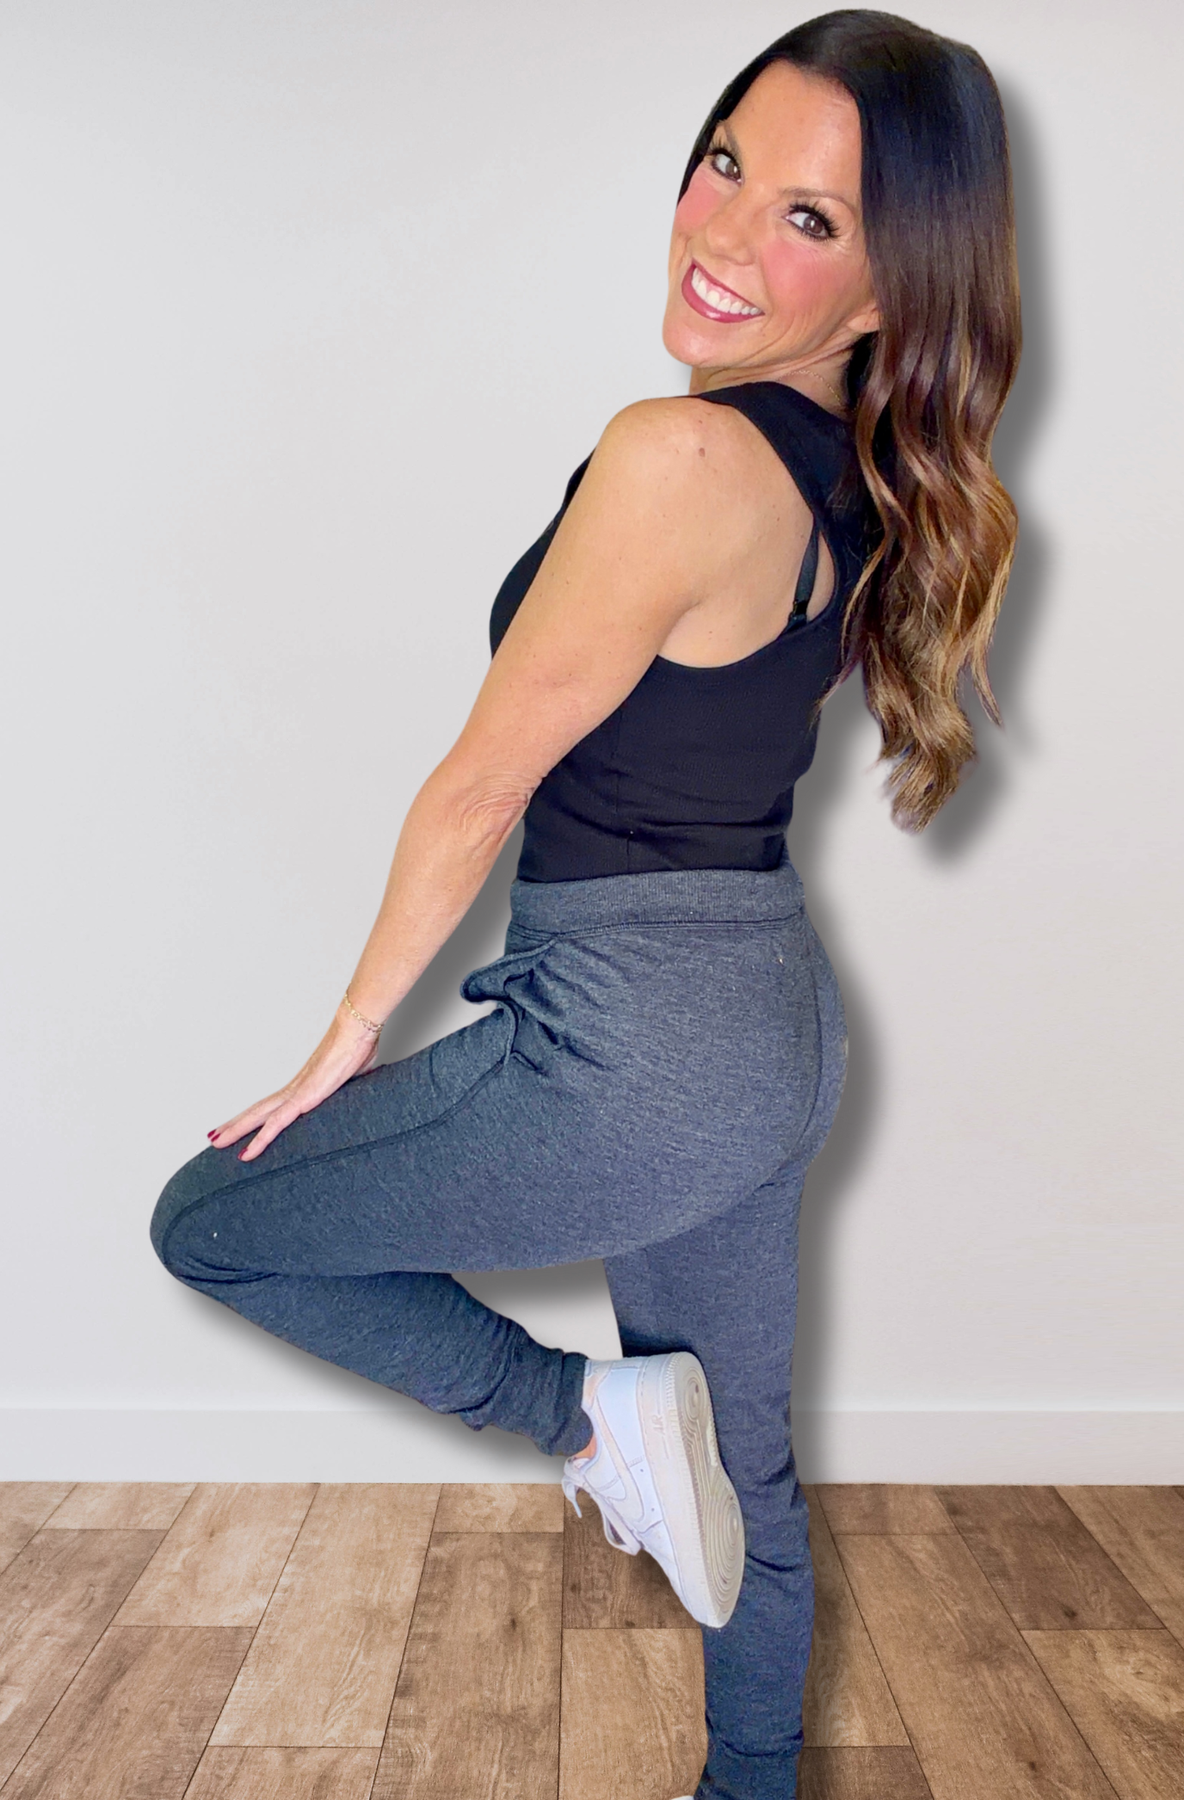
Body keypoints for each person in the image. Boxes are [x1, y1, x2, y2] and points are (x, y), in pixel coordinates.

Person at [151, 9, 1020, 1796]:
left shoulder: (675, 458)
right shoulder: (855, 477)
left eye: (809, 219)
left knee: (213, 1226)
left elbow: (483, 784)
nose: (725, 231)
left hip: (630, 1045)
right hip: (770, 1028)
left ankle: (582, 1418)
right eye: (727, 165)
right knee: (745, 1475)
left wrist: (347, 1037)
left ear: (888, 289)